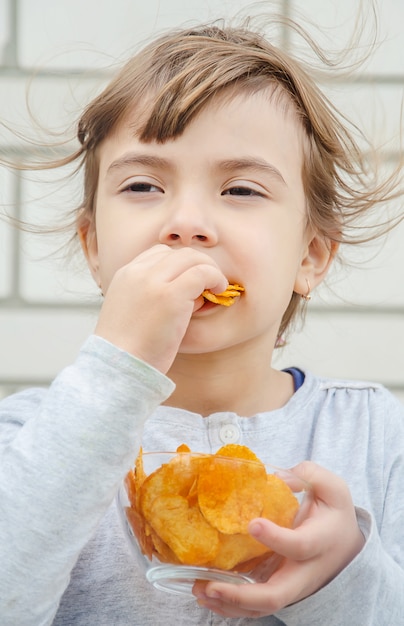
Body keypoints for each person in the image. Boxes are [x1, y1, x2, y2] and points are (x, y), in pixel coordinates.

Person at [1, 11, 403, 626]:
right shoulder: (34, 433)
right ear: (93, 248)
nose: (186, 222)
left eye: (241, 190)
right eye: (141, 186)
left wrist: (347, 573)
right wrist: (114, 373)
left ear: (310, 256)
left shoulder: (378, 436)